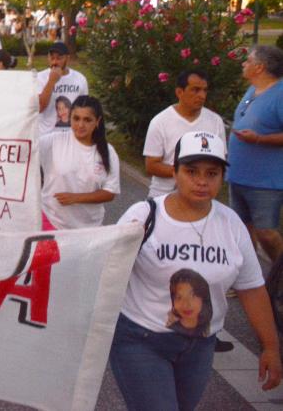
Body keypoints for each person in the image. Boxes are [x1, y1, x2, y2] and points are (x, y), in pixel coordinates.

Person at [111, 131, 281, 410]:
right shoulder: (143, 216)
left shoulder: (231, 224)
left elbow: (251, 288)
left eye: (212, 173)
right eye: (192, 171)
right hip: (141, 341)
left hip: (200, 347)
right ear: (175, 171)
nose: (202, 181)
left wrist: (271, 347)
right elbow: (105, 272)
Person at [227, 45, 283, 262]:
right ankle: (248, 278)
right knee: (241, 231)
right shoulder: (253, 89)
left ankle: (279, 278)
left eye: (248, 61)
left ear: (260, 67)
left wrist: (259, 139)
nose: (244, 64)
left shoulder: (279, 94)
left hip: (265, 182)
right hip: (238, 176)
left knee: (266, 233)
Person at [40, 95, 119, 229]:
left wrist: (76, 198)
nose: (80, 125)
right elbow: (23, 148)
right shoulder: (53, 141)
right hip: (51, 221)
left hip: (89, 228)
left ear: (97, 121)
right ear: (70, 118)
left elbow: (109, 192)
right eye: (76, 118)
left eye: (87, 120)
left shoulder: (108, 151)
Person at [144, 70, 226, 198]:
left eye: (205, 90)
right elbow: (151, 166)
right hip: (163, 196)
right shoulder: (160, 122)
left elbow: (221, 161)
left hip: (201, 198)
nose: (202, 96)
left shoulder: (215, 121)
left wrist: (201, 176)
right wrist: (188, 173)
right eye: (195, 90)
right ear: (179, 92)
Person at [37, 42, 88, 136]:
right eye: (52, 58)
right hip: (46, 135)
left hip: (71, 135)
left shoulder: (80, 79)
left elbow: (84, 109)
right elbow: (39, 107)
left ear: (67, 59)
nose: (55, 62)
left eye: (59, 58)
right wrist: (51, 81)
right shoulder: (40, 78)